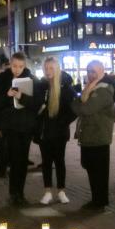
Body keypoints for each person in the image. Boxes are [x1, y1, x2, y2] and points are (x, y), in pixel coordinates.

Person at [0, 52, 40, 206]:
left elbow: (36, 104)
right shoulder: (2, 80)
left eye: (20, 66)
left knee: (22, 161)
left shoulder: (32, 80)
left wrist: (21, 97)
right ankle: (14, 194)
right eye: (14, 66)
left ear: (24, 65)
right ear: (10, 64)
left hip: (26, 127)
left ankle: (20, 193)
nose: (17, 69)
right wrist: (7, 96)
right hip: (10, 127)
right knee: (14, 161)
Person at [72, 61, 115, 210]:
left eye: (94, 71)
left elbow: (85, 109)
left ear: (102, 71)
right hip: (89, 135)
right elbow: (76, 105)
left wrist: (79, 103)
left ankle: (100, 202)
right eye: (89, 71)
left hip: (99, 136)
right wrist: (80, 103)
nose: (91, 74)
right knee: (90, 168)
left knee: (99, 172)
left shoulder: (103, 90)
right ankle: (96, 200)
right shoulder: (91, 88)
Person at [34, 57, 77, 205]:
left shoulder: (66, 87)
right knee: (46, 162)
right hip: (44, 131)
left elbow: (73, 110)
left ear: (57, 69)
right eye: (46, 68)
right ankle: (47, 192)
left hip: (59, 132)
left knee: (59, 161)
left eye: (51, 68)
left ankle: (61, 191)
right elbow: (35, 105)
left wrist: (62, 122)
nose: (48, 71)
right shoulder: (41, 86)